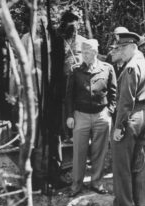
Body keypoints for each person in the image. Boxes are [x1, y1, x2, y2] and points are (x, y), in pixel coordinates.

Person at [66, 39, 117, 197]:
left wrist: (110, 110)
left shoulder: (107, 68)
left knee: (99, 151)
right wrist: (69, 115)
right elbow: (69, 96)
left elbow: (114, 92)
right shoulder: (75, 70)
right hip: (80, 115)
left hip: (101, 115)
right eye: (83, 53)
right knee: (79, 152)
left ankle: (97, 183)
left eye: (88, 52)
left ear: (95, 52)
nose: (85, 56)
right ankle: (76, 185)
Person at [112, 32, 145, 206]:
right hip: (143, 115)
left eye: (122, 48)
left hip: (130, 117)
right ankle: (140, 203)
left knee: (122, 167)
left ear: (132, 47)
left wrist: (119, 126)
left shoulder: (131, 67)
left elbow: (126, 100)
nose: (120, 52)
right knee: (137, 164)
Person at [58, 9, 87, 142]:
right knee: (65, 104)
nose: (74, 26)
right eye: (70, 22)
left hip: (81, 79)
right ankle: (66, 133)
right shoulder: (59, 41)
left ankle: (79, 133)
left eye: (75, 22)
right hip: (63, 79)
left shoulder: (83, 41)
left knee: (79, 103)